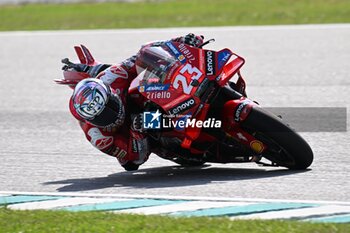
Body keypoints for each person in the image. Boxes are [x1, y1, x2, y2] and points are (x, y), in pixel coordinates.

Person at [69, 33, 204, 171]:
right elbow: (136, 157)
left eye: (111, 105)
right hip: (131, 133)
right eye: (103, 117)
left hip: (139, 98)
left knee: (153, 66)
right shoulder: (98, 136)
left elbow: (142, 54)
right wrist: (137, 131)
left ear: (111, 92)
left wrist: (181, 42)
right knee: (130, 164)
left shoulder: (111, 77)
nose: (113, 115)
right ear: (92, 121)